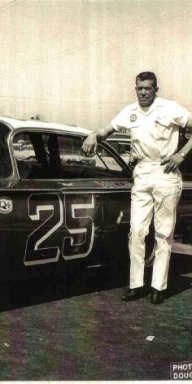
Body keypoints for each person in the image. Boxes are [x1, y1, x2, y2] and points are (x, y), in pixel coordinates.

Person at [82, 71, 192, 304]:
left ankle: (158, 286)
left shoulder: (169, 108)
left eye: (148, 88)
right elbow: (107, 130)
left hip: (166, 172)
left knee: (163, 232)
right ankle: (136, 284)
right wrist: (94, 135)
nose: (143, 92)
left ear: (155, 89)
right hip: (142, 173)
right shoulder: (130, 112)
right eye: (139, 88)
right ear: (135, 88)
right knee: (137, 231)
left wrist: (181, 154)